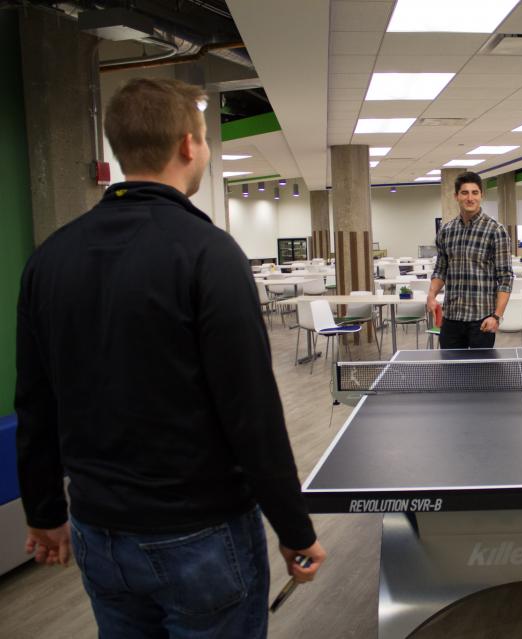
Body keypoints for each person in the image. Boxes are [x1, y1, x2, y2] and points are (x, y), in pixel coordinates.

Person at [15, 77, 325, 638]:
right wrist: (294, 528)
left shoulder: (49, 258)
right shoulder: (209, 254)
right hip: (200, 535)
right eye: (205, 139)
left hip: (96, 532)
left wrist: (43, 513)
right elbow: (251, 412)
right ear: (188, 145)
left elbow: (35, 402)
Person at [428, 171, 513, 349]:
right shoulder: (446, 231)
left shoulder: (496, 231)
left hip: (481, 320)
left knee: (480, 375)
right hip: (451, 318)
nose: (470, 198)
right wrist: (431, 295)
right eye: (464, 193)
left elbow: (505, 278)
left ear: (482, 195)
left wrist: (496, 316)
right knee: (450, 373)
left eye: (475, 192)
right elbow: (440, 270)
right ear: (456, 196)